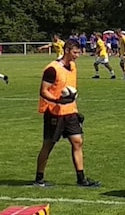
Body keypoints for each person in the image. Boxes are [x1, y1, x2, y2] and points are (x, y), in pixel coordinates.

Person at [34, 42, 99, 188]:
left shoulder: (73, 66)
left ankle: (81, 179)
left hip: (70, 112)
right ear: (67, 50)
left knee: (77, 141)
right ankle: (39, 178)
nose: (78, 55)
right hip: (54, 112)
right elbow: (43, 91)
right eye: (75, 52)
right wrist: (57, 100)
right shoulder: (52, 69)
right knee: (48, 144)